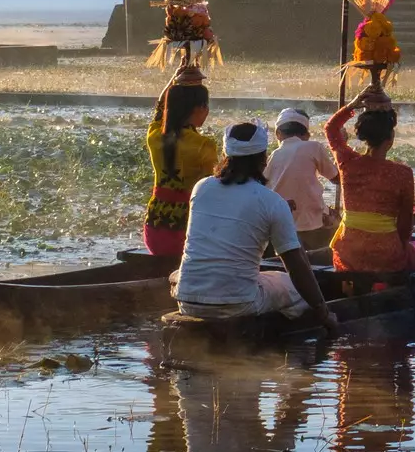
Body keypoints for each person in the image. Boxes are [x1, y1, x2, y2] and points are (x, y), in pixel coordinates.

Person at [173, 122, 340, 333]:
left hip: (187, 301)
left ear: (226, 155)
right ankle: (283, 343)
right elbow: (296, 265)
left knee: (179, 274)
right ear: (263, 159)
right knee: (295, 289)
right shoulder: (272, 202)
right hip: (239, 303)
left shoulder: (201, 188)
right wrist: (324, 314)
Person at [324, 86, 415, 277]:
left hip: (348, 253)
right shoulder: (402, 173)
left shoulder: (347, 163)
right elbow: (406, 224)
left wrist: (353, 104)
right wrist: (399, 246)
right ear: (390, 139)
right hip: (386, 256)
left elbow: (331, 130)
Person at [143, 75, 217, 258]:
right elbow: (213, 191)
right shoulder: (204, 145)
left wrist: (175, 77)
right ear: (200, 108)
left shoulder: (154, 136)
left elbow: (160, 109)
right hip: (187, 234)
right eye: (206, 107)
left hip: (154, 232)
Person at [268, 106, 339, 244]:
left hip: (279, 226)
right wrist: (339, 149)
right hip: (310, 225)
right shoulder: (314, 147)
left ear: (278, 134)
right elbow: (336, 178)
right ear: (306, 135)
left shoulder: (274, 155)